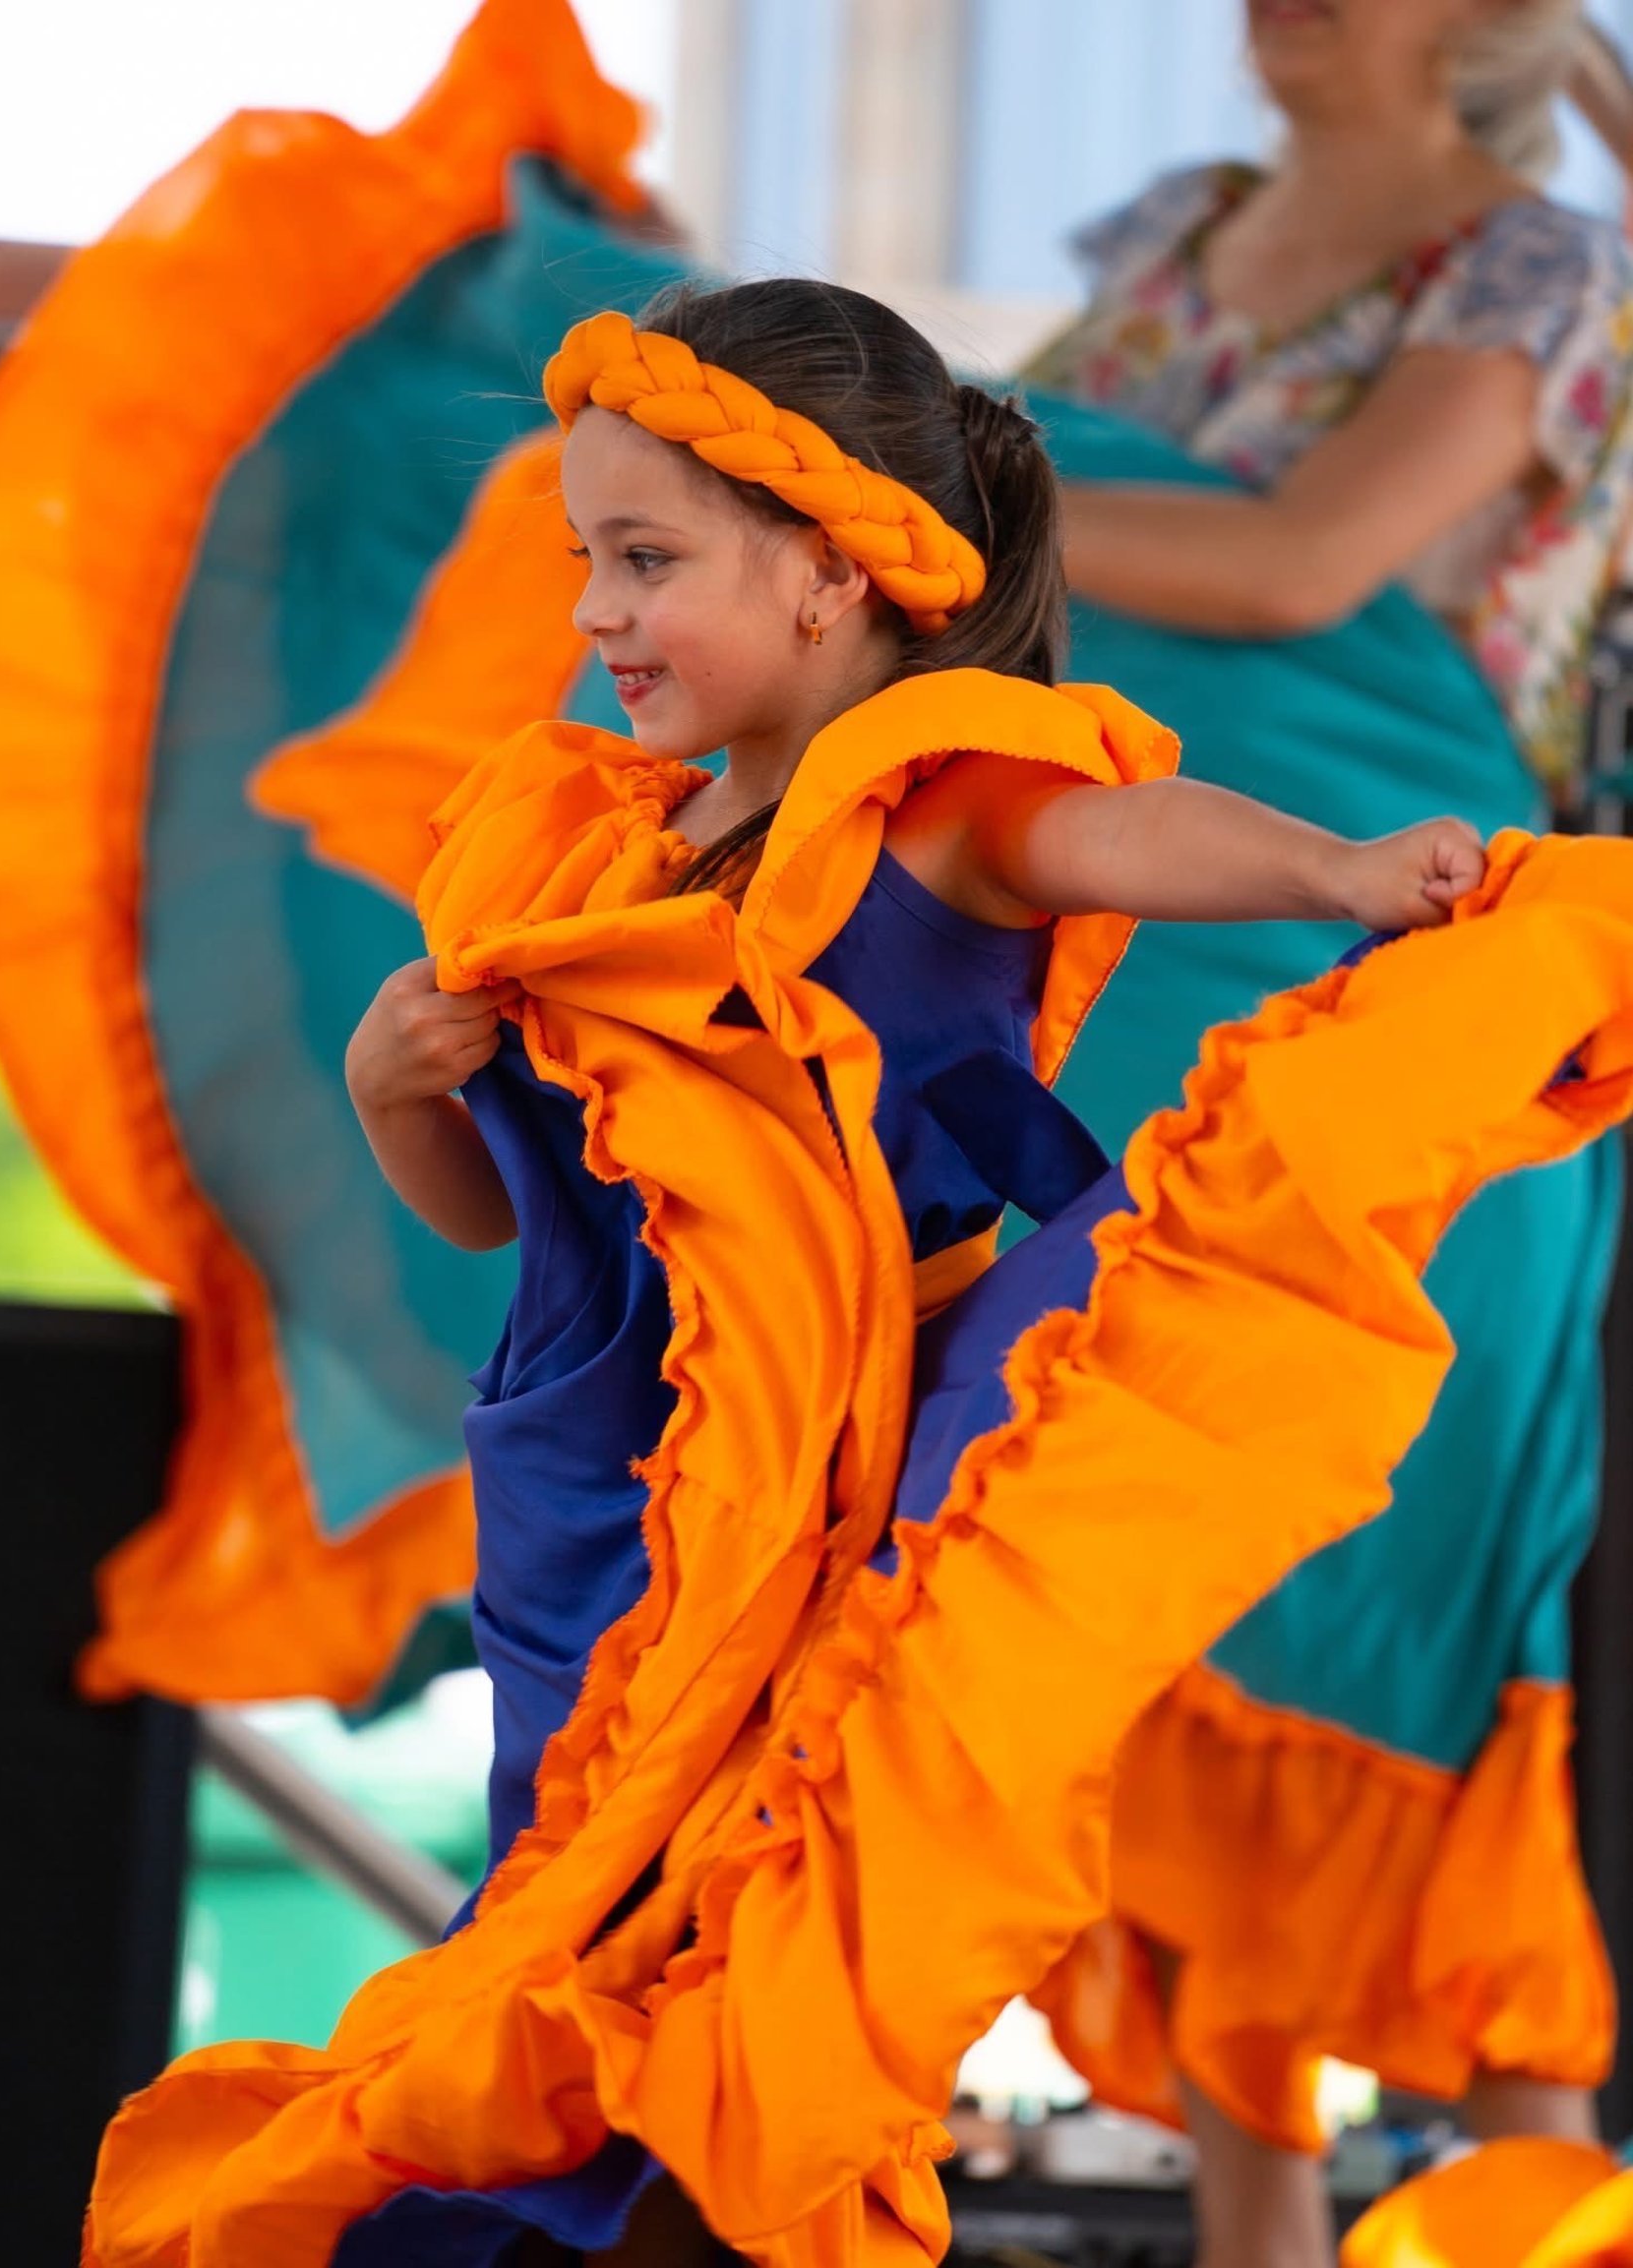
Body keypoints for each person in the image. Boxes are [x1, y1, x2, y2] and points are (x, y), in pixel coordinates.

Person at [84, 279, 1633, 2268]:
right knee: (575, 1988)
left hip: (841, 1525)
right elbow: (513, 1225)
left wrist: (1333, 877)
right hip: (607, 1537)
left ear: (831, 574)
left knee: (753, 2021)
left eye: (646, 559)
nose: (594, 612)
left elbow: (1120, 830)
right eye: (588, 560)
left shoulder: (940, 805)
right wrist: (403, 1102)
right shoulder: (598, 859)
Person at [1021, 2, 1633, 2261]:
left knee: (1402, 1644)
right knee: (1158, 1620)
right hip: (1150, 994)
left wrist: (878, 500)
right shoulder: (1170, 243)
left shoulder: (1537, 275)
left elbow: (1294, 576)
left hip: (1427, 1021)